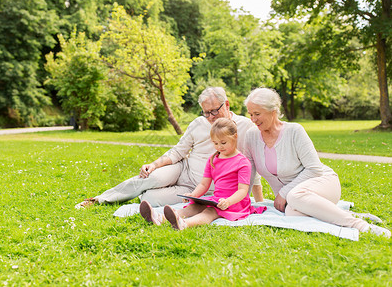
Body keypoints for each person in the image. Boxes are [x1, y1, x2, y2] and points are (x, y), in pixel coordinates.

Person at [76, 87, 263, 208]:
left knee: (150, 199)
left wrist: (257, 199)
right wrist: (155, 164)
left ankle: (143, 195)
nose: (212, 116)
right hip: (184, 170)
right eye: (207, 113)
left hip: (205, 188)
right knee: (151, 177)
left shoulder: (245, 127)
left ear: (227, 104)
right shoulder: (198, 123)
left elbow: (252, 165)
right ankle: (99, 199)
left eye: (216, 110)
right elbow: (179, 150)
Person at [243, 87, 391, 237]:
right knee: (291, 213)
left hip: (322, 182)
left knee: (294, 196)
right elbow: (248, 173)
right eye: (250, 114)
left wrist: (283, 193)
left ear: (273, 111)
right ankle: (343, 214)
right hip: (294, 200)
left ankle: (361, 226)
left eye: (257, 114)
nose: (253, 119)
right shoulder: (251, 136)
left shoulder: (294, 131)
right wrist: (240, 201)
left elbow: (314, 169)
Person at [139, 118, 267, 230]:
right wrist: (193, 195)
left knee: (210, 212)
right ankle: (160, 218)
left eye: (223, 143)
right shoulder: (213, 159)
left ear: (235, 136)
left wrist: (228, 202)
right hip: (217, 199)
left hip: (235, 203)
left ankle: (184, 224)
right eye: (215, 143)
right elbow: (204, 184)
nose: (219, 147)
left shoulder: (242, 162)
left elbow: (242, 191)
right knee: (194, 207)